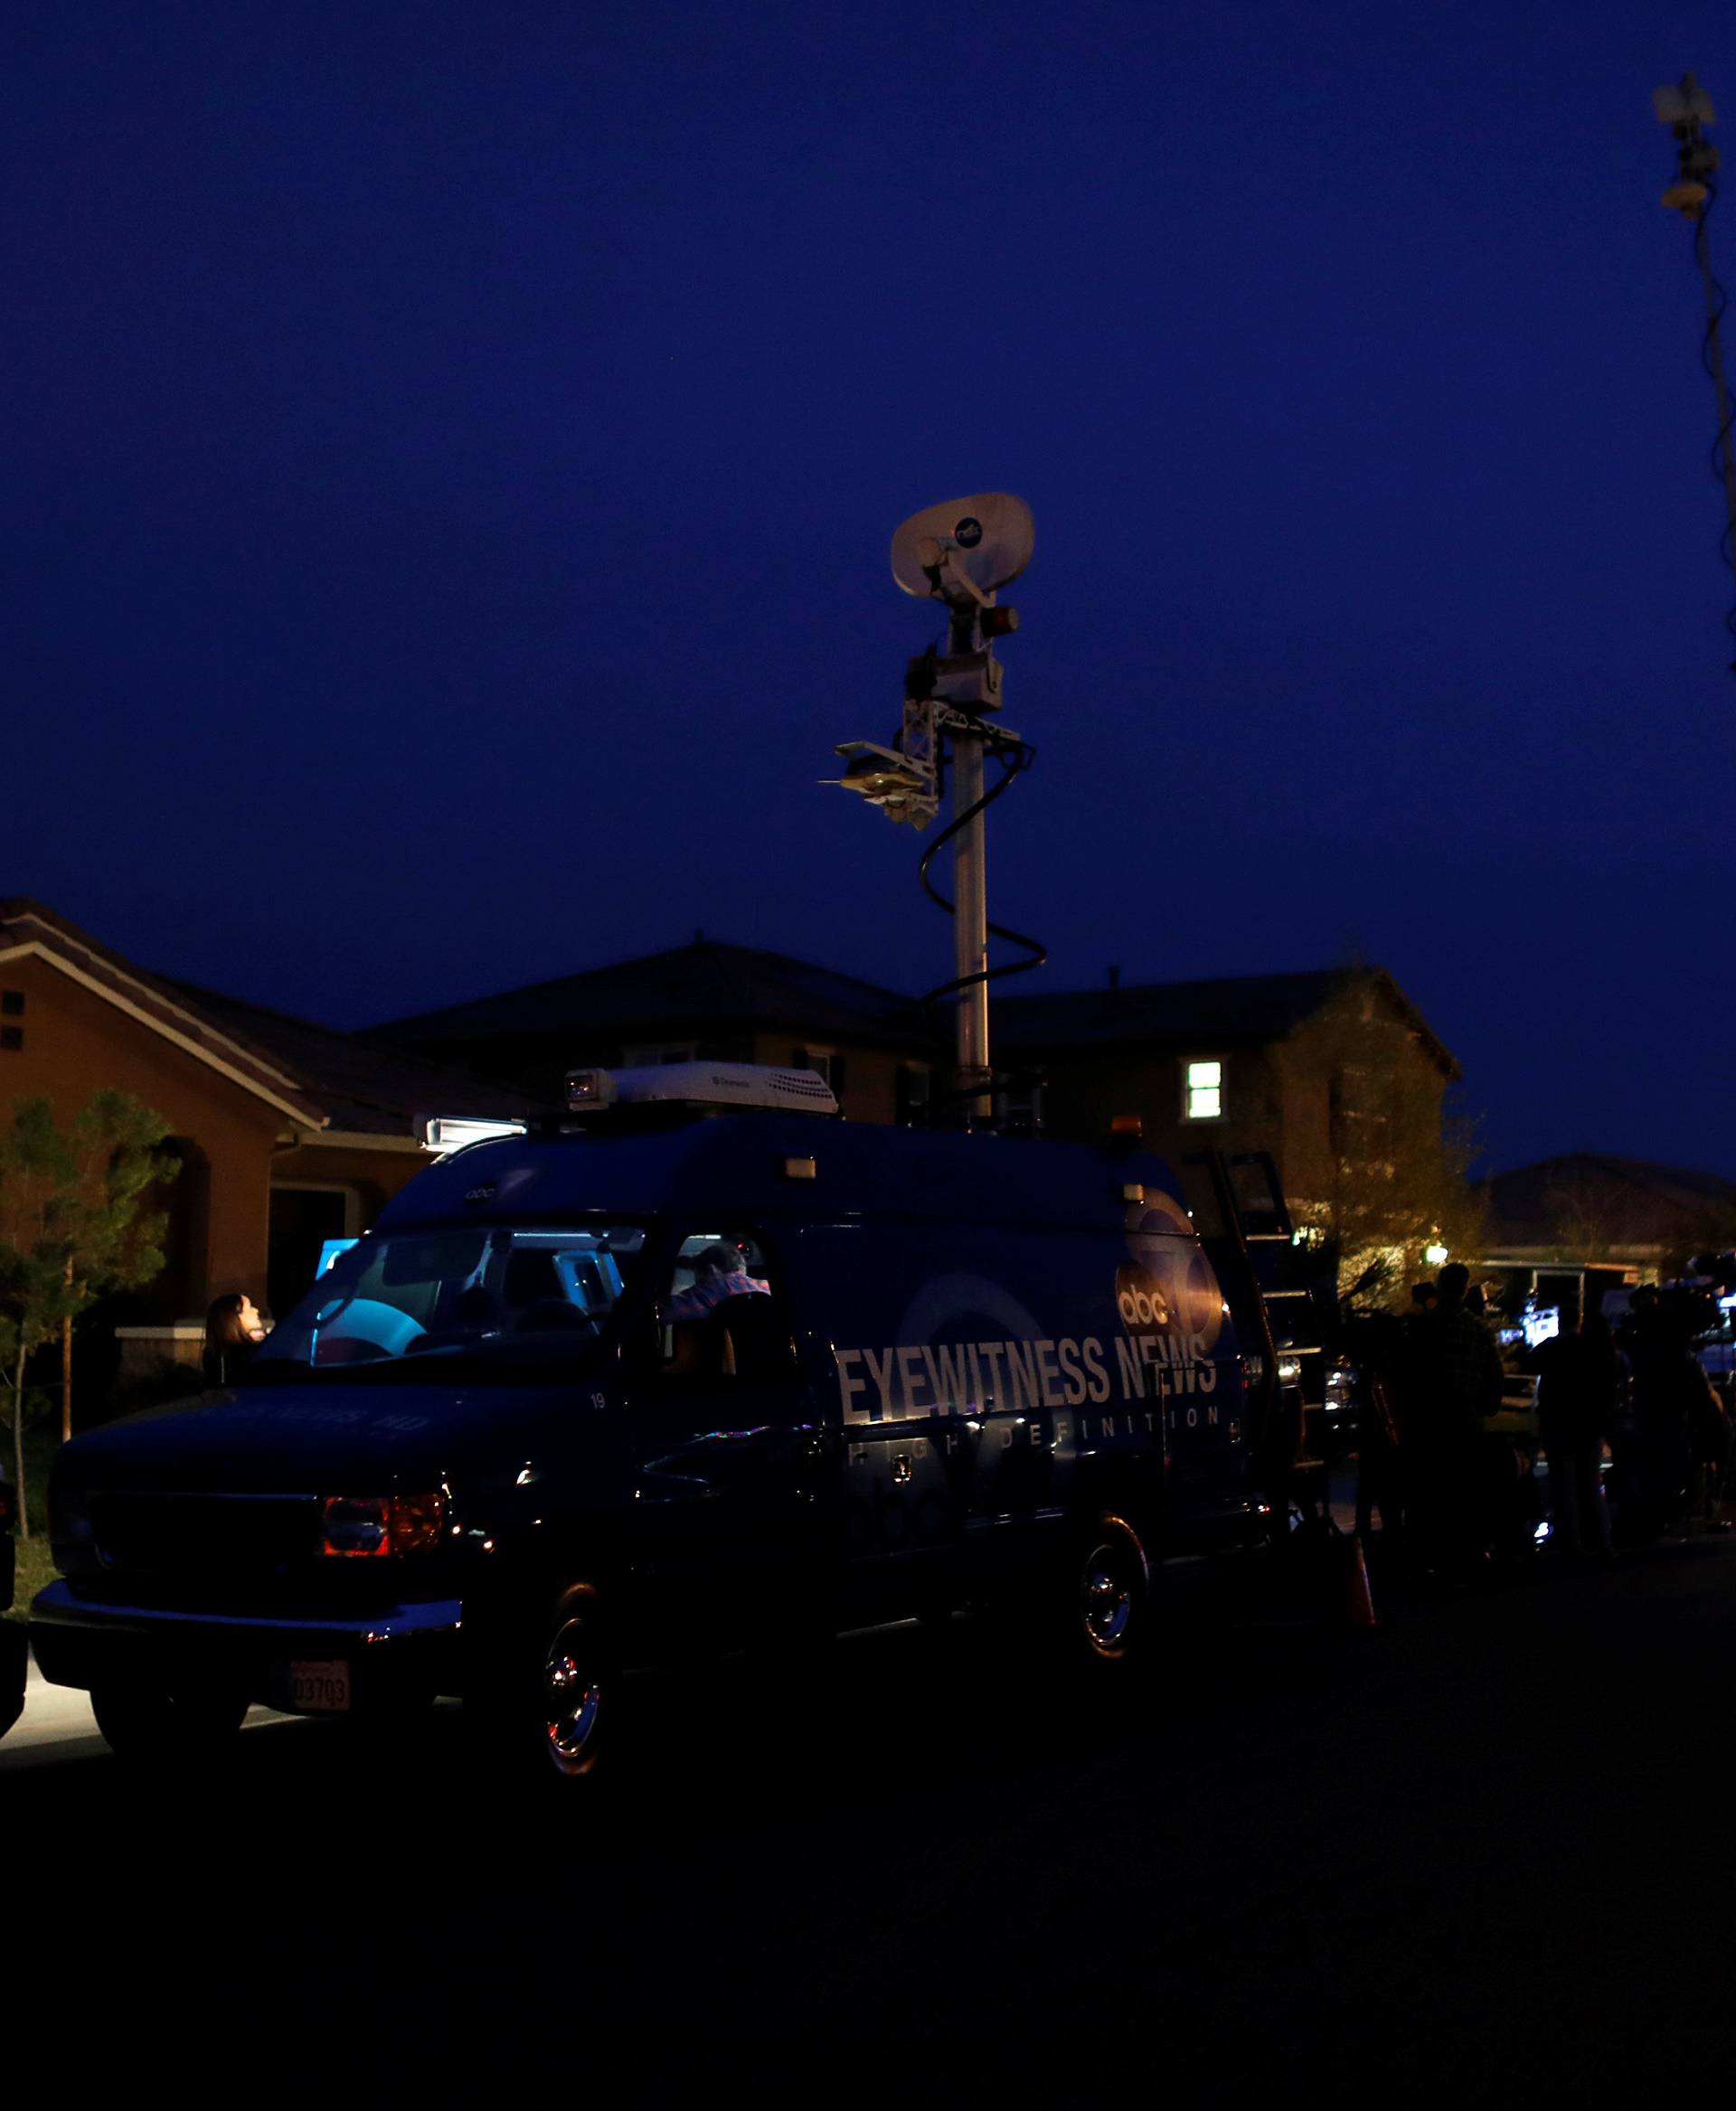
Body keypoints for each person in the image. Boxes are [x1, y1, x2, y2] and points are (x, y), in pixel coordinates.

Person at [1403, 1261, 1505, 1575]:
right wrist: (1486, 1406)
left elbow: (1410, 1372)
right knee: (1464, 1489)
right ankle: (1465, 1553)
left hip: (1431, 1419)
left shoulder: (1426, 1326)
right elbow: (1494, 1375)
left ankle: (1430, 1554)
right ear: (1465, 1288)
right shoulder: (1477, 1328)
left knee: (1431, 1489)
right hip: (1466, 1418)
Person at [1534, 1309, 1618, 1561]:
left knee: (1563, 1485)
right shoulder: (1596, 1350)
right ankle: (1602, 1541)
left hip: (1558, 1423)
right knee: (1590, 1484)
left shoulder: (1553, 1347)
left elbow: (1528, 1361)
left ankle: (1571, 1543)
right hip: (1589, 1425)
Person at [667, 1244, 769, 1323]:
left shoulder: (712, 1291)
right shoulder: (766, 1286)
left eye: (700, 1282)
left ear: (712, 1270)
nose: (699, 1287)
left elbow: (661, 1311)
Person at [203, 1292, 267, 1385]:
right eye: (249, 1307)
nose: (256, 1310)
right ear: (233, 1318)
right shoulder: (244, 1355)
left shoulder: (214, 1353)